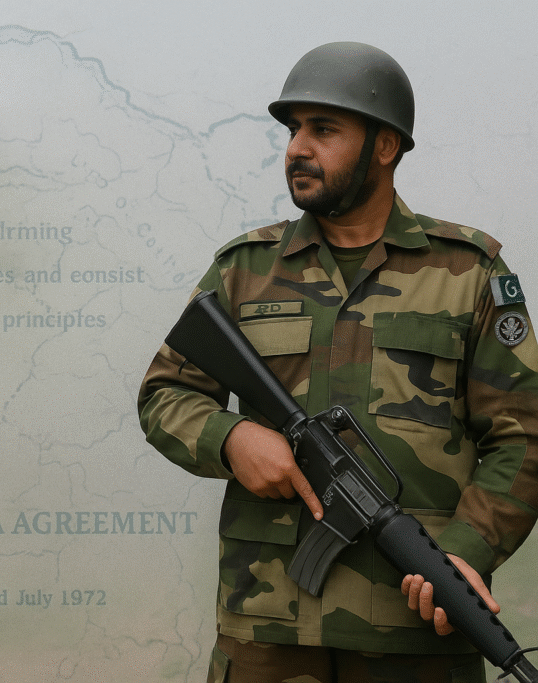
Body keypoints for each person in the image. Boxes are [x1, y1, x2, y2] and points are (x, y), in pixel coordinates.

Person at [138, 42, 538, 683]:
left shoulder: (467, 272)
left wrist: (465, 551)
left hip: (414, 632)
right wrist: (232, 436)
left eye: (323, 129)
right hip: (267, 627)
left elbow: (523, 436)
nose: (297, 146)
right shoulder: (244, 269)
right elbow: (165, 394)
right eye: (294, 129)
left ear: (385, 145)